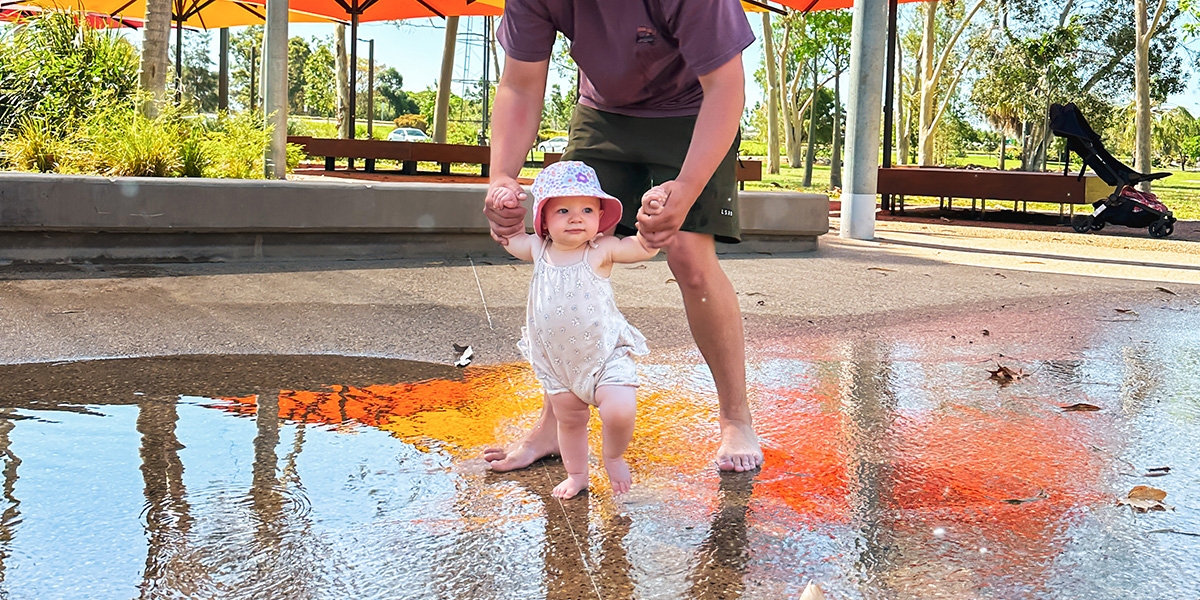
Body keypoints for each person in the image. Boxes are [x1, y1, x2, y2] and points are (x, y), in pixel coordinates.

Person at [483, 0, 764, 473]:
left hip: (693, 109)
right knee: (564, 247)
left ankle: (736, 416)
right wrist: (502, 180)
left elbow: (726, 87)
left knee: (689, 257)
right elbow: (519, 83)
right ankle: (555, 422)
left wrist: (687, 189)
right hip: (603, 113)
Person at [499, 160, 663, 499]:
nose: (576, 217)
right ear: (543, 219)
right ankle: (577, 475)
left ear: (600, 216)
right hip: (559, 363)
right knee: (569, 421)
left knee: (619, 409)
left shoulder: (600, 250)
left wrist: (651, 221)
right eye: (563, 210)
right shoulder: (537, 249)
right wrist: (506, 203)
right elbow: (509, 237)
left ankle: (613, 455)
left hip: (604, 355)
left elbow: (643, 248)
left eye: (587, 209)